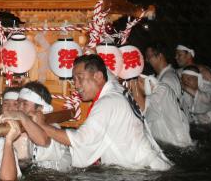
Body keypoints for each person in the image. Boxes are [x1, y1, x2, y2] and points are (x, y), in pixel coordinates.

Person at [41, 54, 172, 171]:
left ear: (98, 76)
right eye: (74, 80)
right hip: (152, 164)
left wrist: (41, 125)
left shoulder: (108, 102)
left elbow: (80, 140)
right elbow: (107, 73)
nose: (76, 85)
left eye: (80, 78)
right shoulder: (115, 87)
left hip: (143, 172)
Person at [5, 82, 71, 172]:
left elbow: (43, 141)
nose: (19, 108)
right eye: (18, 103)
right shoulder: (21, 125)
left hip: (57, 179)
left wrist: (21, 116)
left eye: (25, 104)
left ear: (40, 109)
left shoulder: (53, 127)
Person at [143, 43, 193, 147]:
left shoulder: (168, 79)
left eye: (149, 57)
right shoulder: (165, 76)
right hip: (169, 136)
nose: (147, 60)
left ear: (160, 56)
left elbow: (168, 111)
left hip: (172, 138)